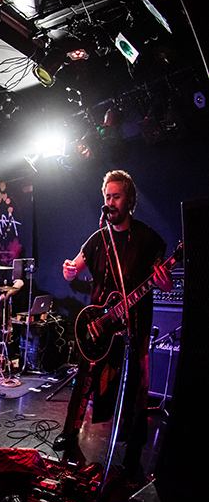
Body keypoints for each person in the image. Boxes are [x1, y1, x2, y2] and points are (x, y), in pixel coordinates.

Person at [52, 170, 171, 479]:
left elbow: (165, 280)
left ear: (129, 201)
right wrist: (69, 270)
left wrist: (164, 281)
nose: (111, 202)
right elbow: (74, 267)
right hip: (99, 324)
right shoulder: (99, 238)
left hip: (134, 327)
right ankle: (70, 432)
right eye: (107, 197)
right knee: (85, 379)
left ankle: (133, 450)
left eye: (116, 196)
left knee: (137, 387)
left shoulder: (147, 238)